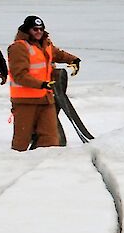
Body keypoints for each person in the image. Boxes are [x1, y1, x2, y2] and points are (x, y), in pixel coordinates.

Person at [5, 15, 80, 152]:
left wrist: (73, 60)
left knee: (51, 139)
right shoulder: (19, 48)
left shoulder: (46, 44)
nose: (39, 32)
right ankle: (16, 165)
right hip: (25, 101)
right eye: (35, 29)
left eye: (41, 29)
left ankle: (46, 168)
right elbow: (19, 75)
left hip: (45, 99)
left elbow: (58, 54)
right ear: (27, 30)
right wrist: (42, 84)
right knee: (21, 141)